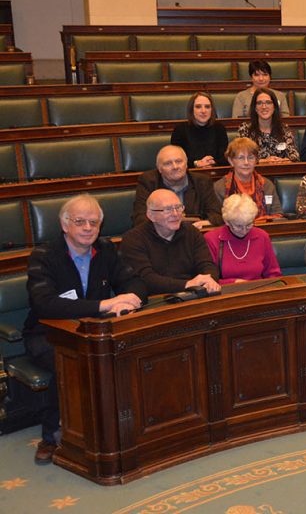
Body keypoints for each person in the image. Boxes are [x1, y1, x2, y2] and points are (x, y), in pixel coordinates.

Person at [24, 194, 147, 465]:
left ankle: (120, 428)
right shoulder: (44, 255)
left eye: (94, 222)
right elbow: (45, 305)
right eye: (80, 221)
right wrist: (104, 304)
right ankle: (51, 434)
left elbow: (134, 282)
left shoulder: (105, 250)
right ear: (64, 224)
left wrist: (129, 300)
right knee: (71, 361)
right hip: (47, 334)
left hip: (93, 331)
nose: (88, 228)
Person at [120, 188, 222, 295]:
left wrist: (209, 280)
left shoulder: (192, 233)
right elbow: (146, 279)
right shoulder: (133, 239)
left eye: (178, 207)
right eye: (168, 209)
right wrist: (188, 284)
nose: (175, 214)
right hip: (155, 299)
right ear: (151, 215)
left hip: (193, 294)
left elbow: (207, 265)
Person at [131, 145, 223, 228]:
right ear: (159, 168)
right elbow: (140, 219)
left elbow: (217, 215)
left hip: (194, 236)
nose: (175, 167)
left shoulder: (202, 181)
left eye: (179, 161)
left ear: (186, 164)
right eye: (168, 163)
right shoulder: (148, 182)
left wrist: (203, 223)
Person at [204, 194, 282, 284]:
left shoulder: (262, 236)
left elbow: (273, 274)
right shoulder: (211, 239)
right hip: (226, 293)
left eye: (249, 224)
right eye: (238, 226)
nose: (244, 230)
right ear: (227, 222)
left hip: (258, 291)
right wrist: (233, 283)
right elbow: (208, 280)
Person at [213, 137, 284, 221]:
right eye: (241, 158)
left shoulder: (267, 184)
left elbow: (277, 215)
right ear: (231, 161)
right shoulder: (220, 187)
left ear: (256, 160)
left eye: (250, 158)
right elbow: (218, 220)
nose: (246, 162)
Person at [237, 87, 300, 162]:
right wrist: (262, 162)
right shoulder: (245, 129)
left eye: (268, 102)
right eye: (259, 103)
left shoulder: (284, 129)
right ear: (255, 108)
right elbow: (238, 157)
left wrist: (281, 161)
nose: (264, 107)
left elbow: (295, 156)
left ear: (274, 107)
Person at [170, 92, 228, 168]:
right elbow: (176, 159)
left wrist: (212, 162)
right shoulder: (180, 130)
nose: (203, 111)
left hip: (215, 173)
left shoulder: (219, 128)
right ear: (191, 110)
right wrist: (197, 163)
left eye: (207, 107)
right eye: (198, 107)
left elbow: (225, 157)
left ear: (212, 110)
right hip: (190, 174)